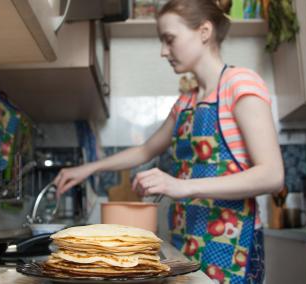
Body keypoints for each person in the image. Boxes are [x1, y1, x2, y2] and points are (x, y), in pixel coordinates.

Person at [53, 0, 284, 282]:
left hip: (232, 242)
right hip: (185, 241)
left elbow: (272, 175)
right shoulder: (185, 102)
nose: (164, 51)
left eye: (169, 40)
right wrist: (87, 169)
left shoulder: (239, 84)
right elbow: (145, 149)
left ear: (204, 31)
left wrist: (180, 186)